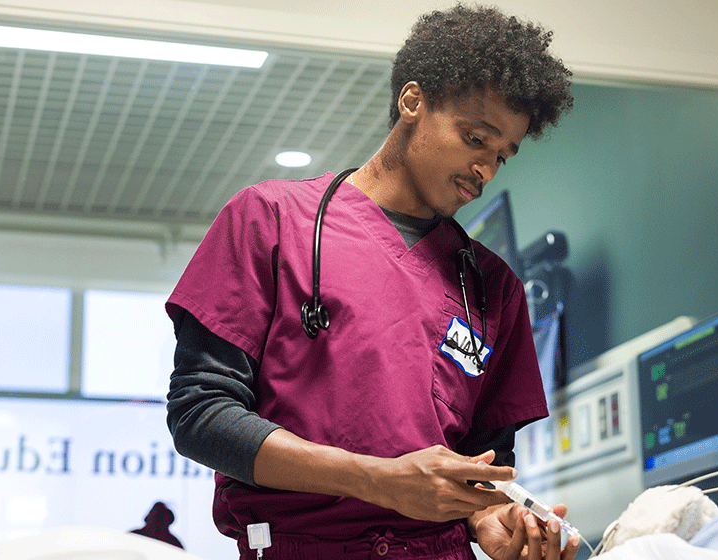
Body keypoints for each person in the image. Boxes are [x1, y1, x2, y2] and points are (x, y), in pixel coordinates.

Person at [165, 3, 575, 559]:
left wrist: (493, 518)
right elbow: (201, 415)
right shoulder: (271, 220)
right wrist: (376, 479)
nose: (487, 169)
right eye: (475, 138)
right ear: (413, 102)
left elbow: (484, 465)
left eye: (502, 154)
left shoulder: (492, 287)